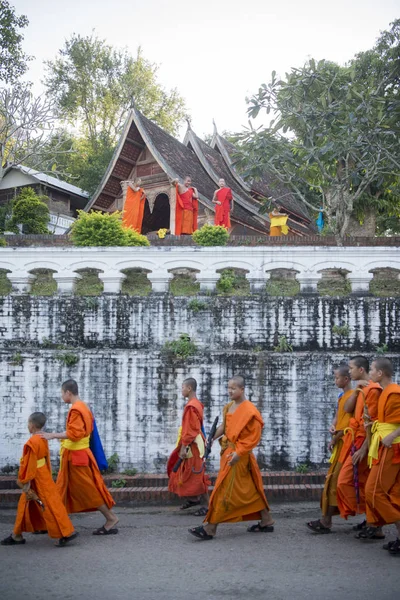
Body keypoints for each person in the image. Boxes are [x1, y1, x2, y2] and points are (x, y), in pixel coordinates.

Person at [188, 375, 274, 540]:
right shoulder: (229, 407)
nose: (230, 391)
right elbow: (224, 427)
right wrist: (211, 437)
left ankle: (210, 528)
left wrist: (239, 453)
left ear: (242, 389)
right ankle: (266, 519)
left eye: (233, 388)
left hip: (238, 456)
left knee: (222, 489)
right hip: (228, 453)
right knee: (250, 489)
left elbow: (253, 437)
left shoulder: (250, 411)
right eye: (228, 388)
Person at [40, 380, 119, 536]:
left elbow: (75, 435)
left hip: (77, 456)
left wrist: (53, 435)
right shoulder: (84, 406)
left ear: (68, 393)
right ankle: (52, 523)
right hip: (78, 455)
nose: (62, 396)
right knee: (62, 489)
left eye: (62, 393)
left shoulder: (76, 410)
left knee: (89, 491)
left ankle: (111, 518)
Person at [1, 412, 78, 548]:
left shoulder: (32, 442)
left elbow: (29, 463)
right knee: (29, 504)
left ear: (31, 425)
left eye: (28, 424)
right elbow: (45, 458)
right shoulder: (42, 438)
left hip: (35, 477)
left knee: (48, 504)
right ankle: (17, 534)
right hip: (42, 474)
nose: (27, 426)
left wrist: (24, 481)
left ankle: (65, 532)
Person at [336, 356, 382, 534]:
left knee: (347, 481)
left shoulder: (373, 390)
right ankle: (372, 520)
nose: (349, 371)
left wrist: (365, 449)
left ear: (360, 370)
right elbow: (348, 409)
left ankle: (375, 522)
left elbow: (374, 423)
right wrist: (357, 391)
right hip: (354, 438)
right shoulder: (361, 389)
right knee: (357, 483)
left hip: (365, 441)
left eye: (351, 368)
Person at [307, 365, 353, 533]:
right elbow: (338, 415)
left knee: (335, 482)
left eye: (337, 378)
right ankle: (326, 519)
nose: (335, 381)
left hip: (348, 443)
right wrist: (333, 427)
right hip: (340, 441)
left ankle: (326, 521)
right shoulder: (343, 396)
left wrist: (336, 437)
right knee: (335, 481)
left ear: (346, 379)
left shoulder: (353, 396)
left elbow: (350, 423)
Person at [364, 358, 400, 553]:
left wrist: (392, 435)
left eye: (372, 369)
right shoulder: (386, 391)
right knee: (387, 492)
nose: (369, 373)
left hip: (391, 446)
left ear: (380, 374)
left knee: (374, 491)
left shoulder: (394, 392)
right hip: (384, 443)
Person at [168, 378, 210, 516]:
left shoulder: (191, 406)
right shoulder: (196, 404)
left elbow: (191, 429)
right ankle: (193, 499)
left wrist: (184, 446)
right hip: (194, 443)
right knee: (186, 472)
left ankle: (207, 505)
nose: (182, 390)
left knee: (197, 474)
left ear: (189, 388)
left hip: (192, 445)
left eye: (183, 387)